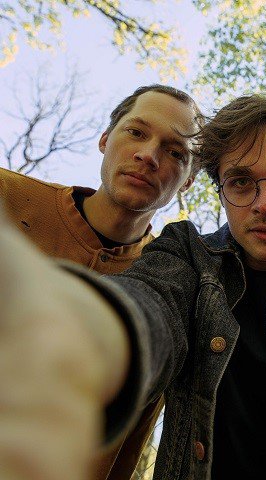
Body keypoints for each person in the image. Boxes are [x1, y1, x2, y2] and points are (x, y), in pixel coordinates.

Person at [0, 95, 266, 480]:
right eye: (241, 182)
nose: (264, 203)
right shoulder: (185, 253)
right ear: (220, 191)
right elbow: (151, 303)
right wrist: (81, 337)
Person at [0, 84, 203, 479]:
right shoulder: (8, 197)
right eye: (137, 132)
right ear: (105, 139)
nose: (148, 155)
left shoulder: (172, 290)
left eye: (176, 152)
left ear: (189, 181)